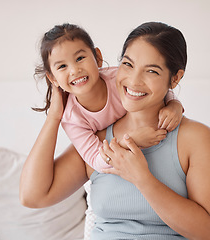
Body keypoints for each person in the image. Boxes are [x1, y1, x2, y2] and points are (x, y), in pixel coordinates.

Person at [20, 22, 210, 239]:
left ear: (174, 78)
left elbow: (209, 232)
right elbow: (32, 196)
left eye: (151, 71)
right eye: (128, 65)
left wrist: (142, 178)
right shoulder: (100, 145)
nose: (134, 81)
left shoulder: (196, 139)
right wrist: (54, 116)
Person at [33, 23, 184, 172]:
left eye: (80, 58)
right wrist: (130, 142)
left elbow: (153, 87)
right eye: (62, 66)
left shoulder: (118, 78)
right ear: (52, 78)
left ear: (97, 57)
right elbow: (95, 160)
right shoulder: (73, 118)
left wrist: (174, 104)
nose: (74, 70)